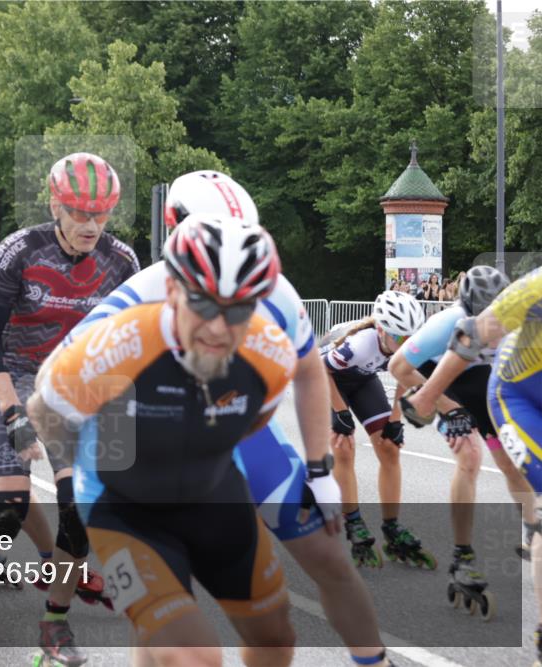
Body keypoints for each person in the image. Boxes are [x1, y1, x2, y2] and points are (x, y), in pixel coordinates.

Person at [62, 169, 393, 667]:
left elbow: (308, 370)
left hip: (242, 436)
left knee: (328, 557)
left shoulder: (274, 289)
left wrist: (319, 467)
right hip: (152, 452)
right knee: (163, 619)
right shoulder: (137, 297)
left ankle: (374, 660)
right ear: (177, 230)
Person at [28, 215, 297, 667]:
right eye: (202, 304)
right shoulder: (116, 347)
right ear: (171, 290)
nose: (218, 327)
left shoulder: (271, 356)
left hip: (214, 499)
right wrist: (90, 463)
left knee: (276, 639)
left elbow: (254, 422)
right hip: (122, 512)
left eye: (237, 310)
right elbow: (44, 409)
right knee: (190, 656)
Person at [0, 152, 139, 664]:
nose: (91, 225)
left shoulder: (122, 262)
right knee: (8, 510)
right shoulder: (19, 251)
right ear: (56, 206)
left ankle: (55, 622)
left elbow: (128, 342)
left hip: (77, 385)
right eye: (79, 213)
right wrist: (12, 413)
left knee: (80, 510)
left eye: (101, 213)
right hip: (15, 374)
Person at [388, 265, 528, 620]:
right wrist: (447, 407)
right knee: (469, 456)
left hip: (483, 380)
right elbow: (398, 367)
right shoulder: (445, 324)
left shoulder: (515, 315)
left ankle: (532, 528)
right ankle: (462, 556)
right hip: (442, 379)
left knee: (514, 459)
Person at [322, 290, 433, 569]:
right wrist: (340, 412)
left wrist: (395, 419)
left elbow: (404, 374)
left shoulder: (407, 344)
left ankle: (392, 527)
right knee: (344, 448)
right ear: (382, 330)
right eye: (399, 337)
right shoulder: (360, 345)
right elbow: (321, 370)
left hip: (362, 381)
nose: (406, 343)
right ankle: (354, 523)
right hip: (326, 379)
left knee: (390, 449)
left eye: (410, 337)